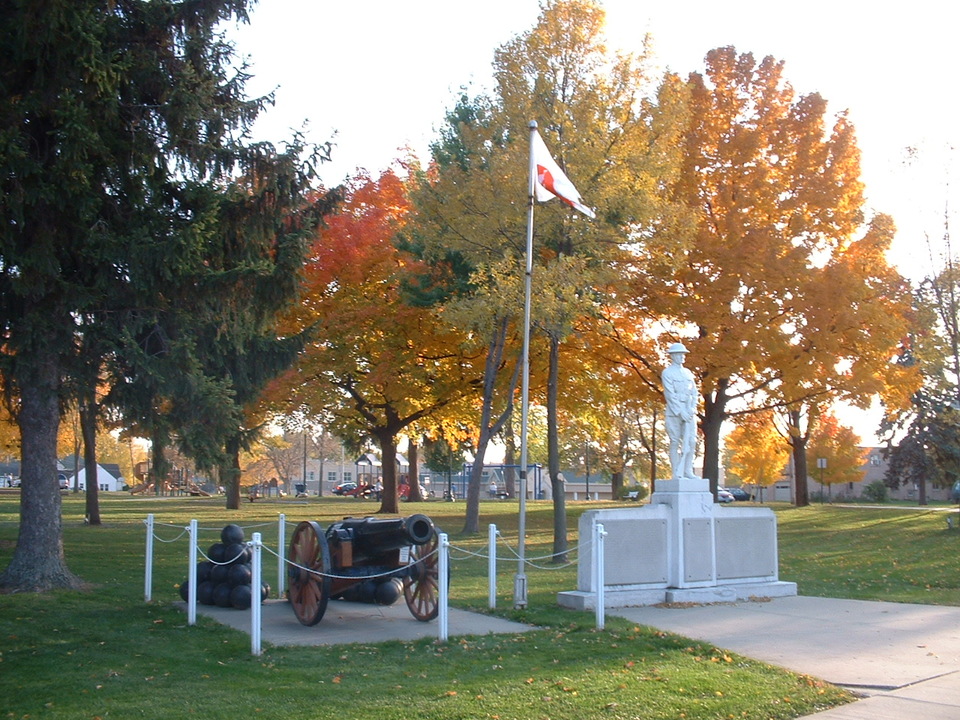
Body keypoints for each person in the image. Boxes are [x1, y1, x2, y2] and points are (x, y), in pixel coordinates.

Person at [661, 342, 699, 480]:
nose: (682, 357)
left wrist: (692, 408)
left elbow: (695, 392)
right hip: (674, 412)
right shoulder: (667, 373)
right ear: (673, 356)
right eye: (679, 354)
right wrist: (680, 412)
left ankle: (688, 470)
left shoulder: (688, 373)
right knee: (675, 441)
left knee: (691, 441)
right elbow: (670, 394)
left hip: (689, 411)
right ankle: (676, 472)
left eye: (683, 354)